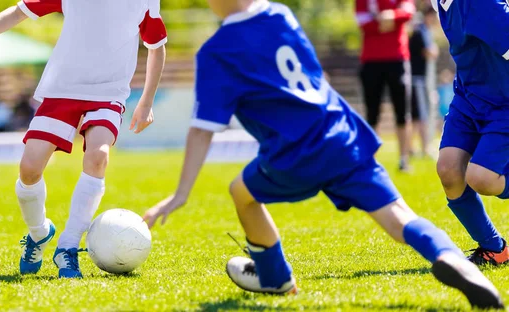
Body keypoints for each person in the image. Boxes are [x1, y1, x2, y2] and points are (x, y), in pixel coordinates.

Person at [142, 0, 504, 309]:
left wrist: (181, 193)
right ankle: (450, 258)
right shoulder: (280, 14)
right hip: (342, 137)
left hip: (294, 154)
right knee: (399, 218)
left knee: (242, 193)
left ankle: (275, 278)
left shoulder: (216, 52)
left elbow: (203, 128)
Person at [0, 0, 167, 278]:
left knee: (98, 156)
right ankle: (39, 233)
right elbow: (19, 11)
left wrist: (146, 102)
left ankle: (67, 247)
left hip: (107, 93)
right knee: (29, 169)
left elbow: (156, 47)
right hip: (62, 90)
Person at [434, 0, 509, 266]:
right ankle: (494, 248)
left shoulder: (483, 3)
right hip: (468, 97)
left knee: (483, 178)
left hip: (504, 104)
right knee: (449, 170)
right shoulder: (440, 2)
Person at [356, 0, 415, 171]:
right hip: (370, 60)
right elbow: (363, 22)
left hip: (397, 59)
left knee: (402, 112)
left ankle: (404, 159)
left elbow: (407, 13)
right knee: (372, 112)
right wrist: (389, 21)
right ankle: (370, 160)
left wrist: (389, 16)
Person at [409, 7, 438, 158]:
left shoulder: (424, 30)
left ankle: (411, 147)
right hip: (418, 79)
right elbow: (429, 51)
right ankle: (425, 147)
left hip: (420, 78)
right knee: (422, 114)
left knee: (416, 114)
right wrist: (433, 50)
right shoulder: (420, 31)